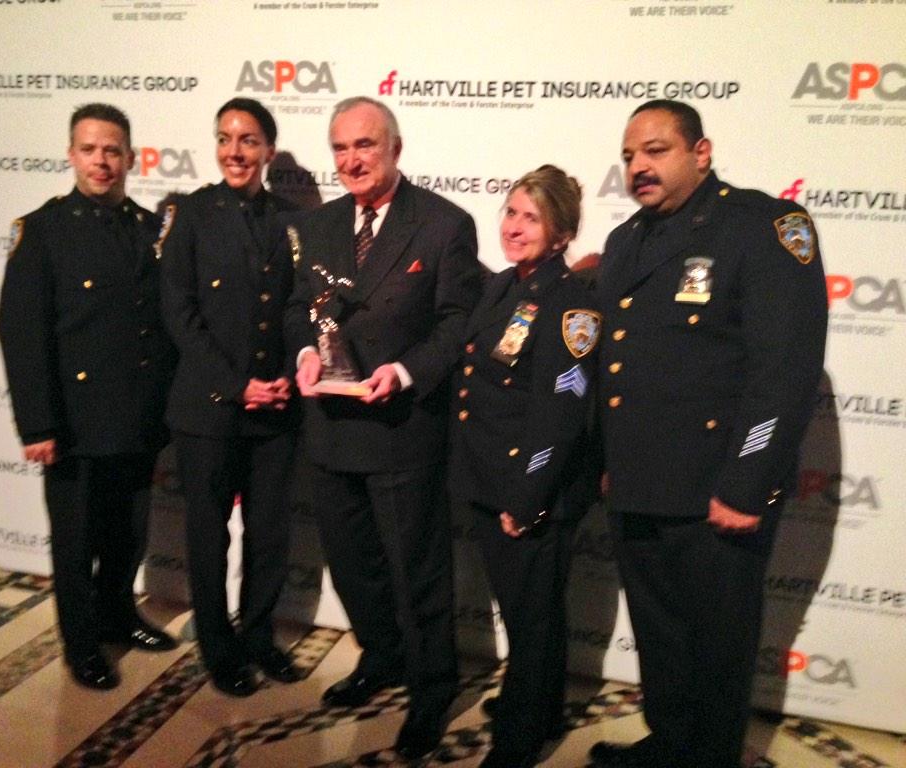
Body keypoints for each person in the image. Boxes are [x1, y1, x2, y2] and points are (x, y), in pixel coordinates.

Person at [590, 100, 828, 768]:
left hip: (715, 488)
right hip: (639, 482)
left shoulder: (764, 226)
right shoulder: (626, 241)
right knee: (660, 635)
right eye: (629, 155)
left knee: (718, 648)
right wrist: (610, 460)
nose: (639, 166)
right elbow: (620, 364)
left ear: (702, 152)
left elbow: (784, 372)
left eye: (656, 150)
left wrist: (746, 484)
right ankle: (670, 743)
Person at [284, 96, 483, 760]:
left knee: (417, 573)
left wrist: (403, 371)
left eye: (364, 145)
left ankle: (432, 689)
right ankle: (381, 657)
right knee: (353, 567)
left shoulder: (444, 224)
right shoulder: (318, 225)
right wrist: (304, 352)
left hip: (401, 427)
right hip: (331, 426)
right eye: (340, 148)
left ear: (395, 148)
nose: (352, 160)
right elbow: (299, 308)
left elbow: (458, 322)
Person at [0, 103, 178, 691]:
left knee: (128, 534)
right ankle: (81, 643)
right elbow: (21, 332)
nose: (102, 161)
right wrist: (37, 425)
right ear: (72, 155)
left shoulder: (151, 228)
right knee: (76, 544)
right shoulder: (42, 230)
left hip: (137, 416)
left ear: (130, 157)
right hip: (74, 423)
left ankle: (118, 617)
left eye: (112, 150)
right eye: (90, 149)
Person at [451, 165, 600, 768]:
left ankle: (518, 739)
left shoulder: (572, 307)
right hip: (493, 481)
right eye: (511, 212)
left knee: (531, 618)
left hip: (531, 490)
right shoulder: (503, 286)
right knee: (528, 612)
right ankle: (541, 707)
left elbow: (561, 416)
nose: (513, 227)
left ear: (561, 234)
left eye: (531, 218)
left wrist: (527, 497)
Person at [158, 98, 301, 696]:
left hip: (275, 409)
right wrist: (236, 384)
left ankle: (259, 636)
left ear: (268, 149)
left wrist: (289, 375)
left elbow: (300, 310)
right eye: (224, 138)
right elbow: (179, 314)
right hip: (209, 408)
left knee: (268, 534)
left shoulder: (293, 220)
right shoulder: (190, 214)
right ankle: (218, 648)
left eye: (247, 140)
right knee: (209, 536)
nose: (234, 151)